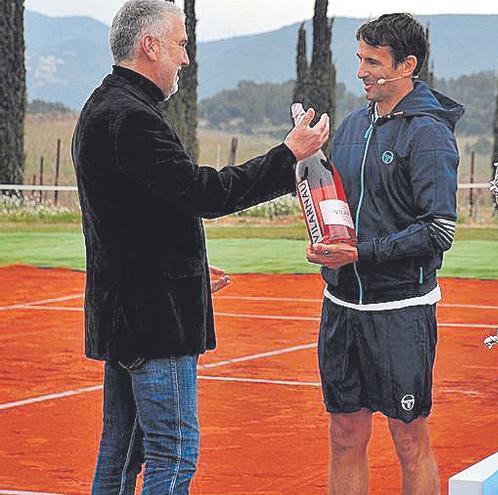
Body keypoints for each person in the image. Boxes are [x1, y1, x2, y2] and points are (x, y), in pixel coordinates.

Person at [71, 1, 329, 493]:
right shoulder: (134, 118)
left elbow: (134, 213)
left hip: (126, 313)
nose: (185, 59)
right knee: (173, 453)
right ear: (150, 46)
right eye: (181, 45)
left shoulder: (103, 108)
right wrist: (288, 155)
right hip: (155, 322)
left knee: (122, 455)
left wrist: (183, 259)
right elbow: (202, 192)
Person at [304, 13, 463, 495]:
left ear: (407, 64)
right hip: (341, 307)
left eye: (373, 62)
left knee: (409, 439)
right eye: (360, 59)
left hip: (400, 311)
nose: (362, 72)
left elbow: (438, 231)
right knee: (344, 433)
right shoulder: (351, 126)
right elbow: (339, 205)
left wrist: (359, 255)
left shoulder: (429, 132)